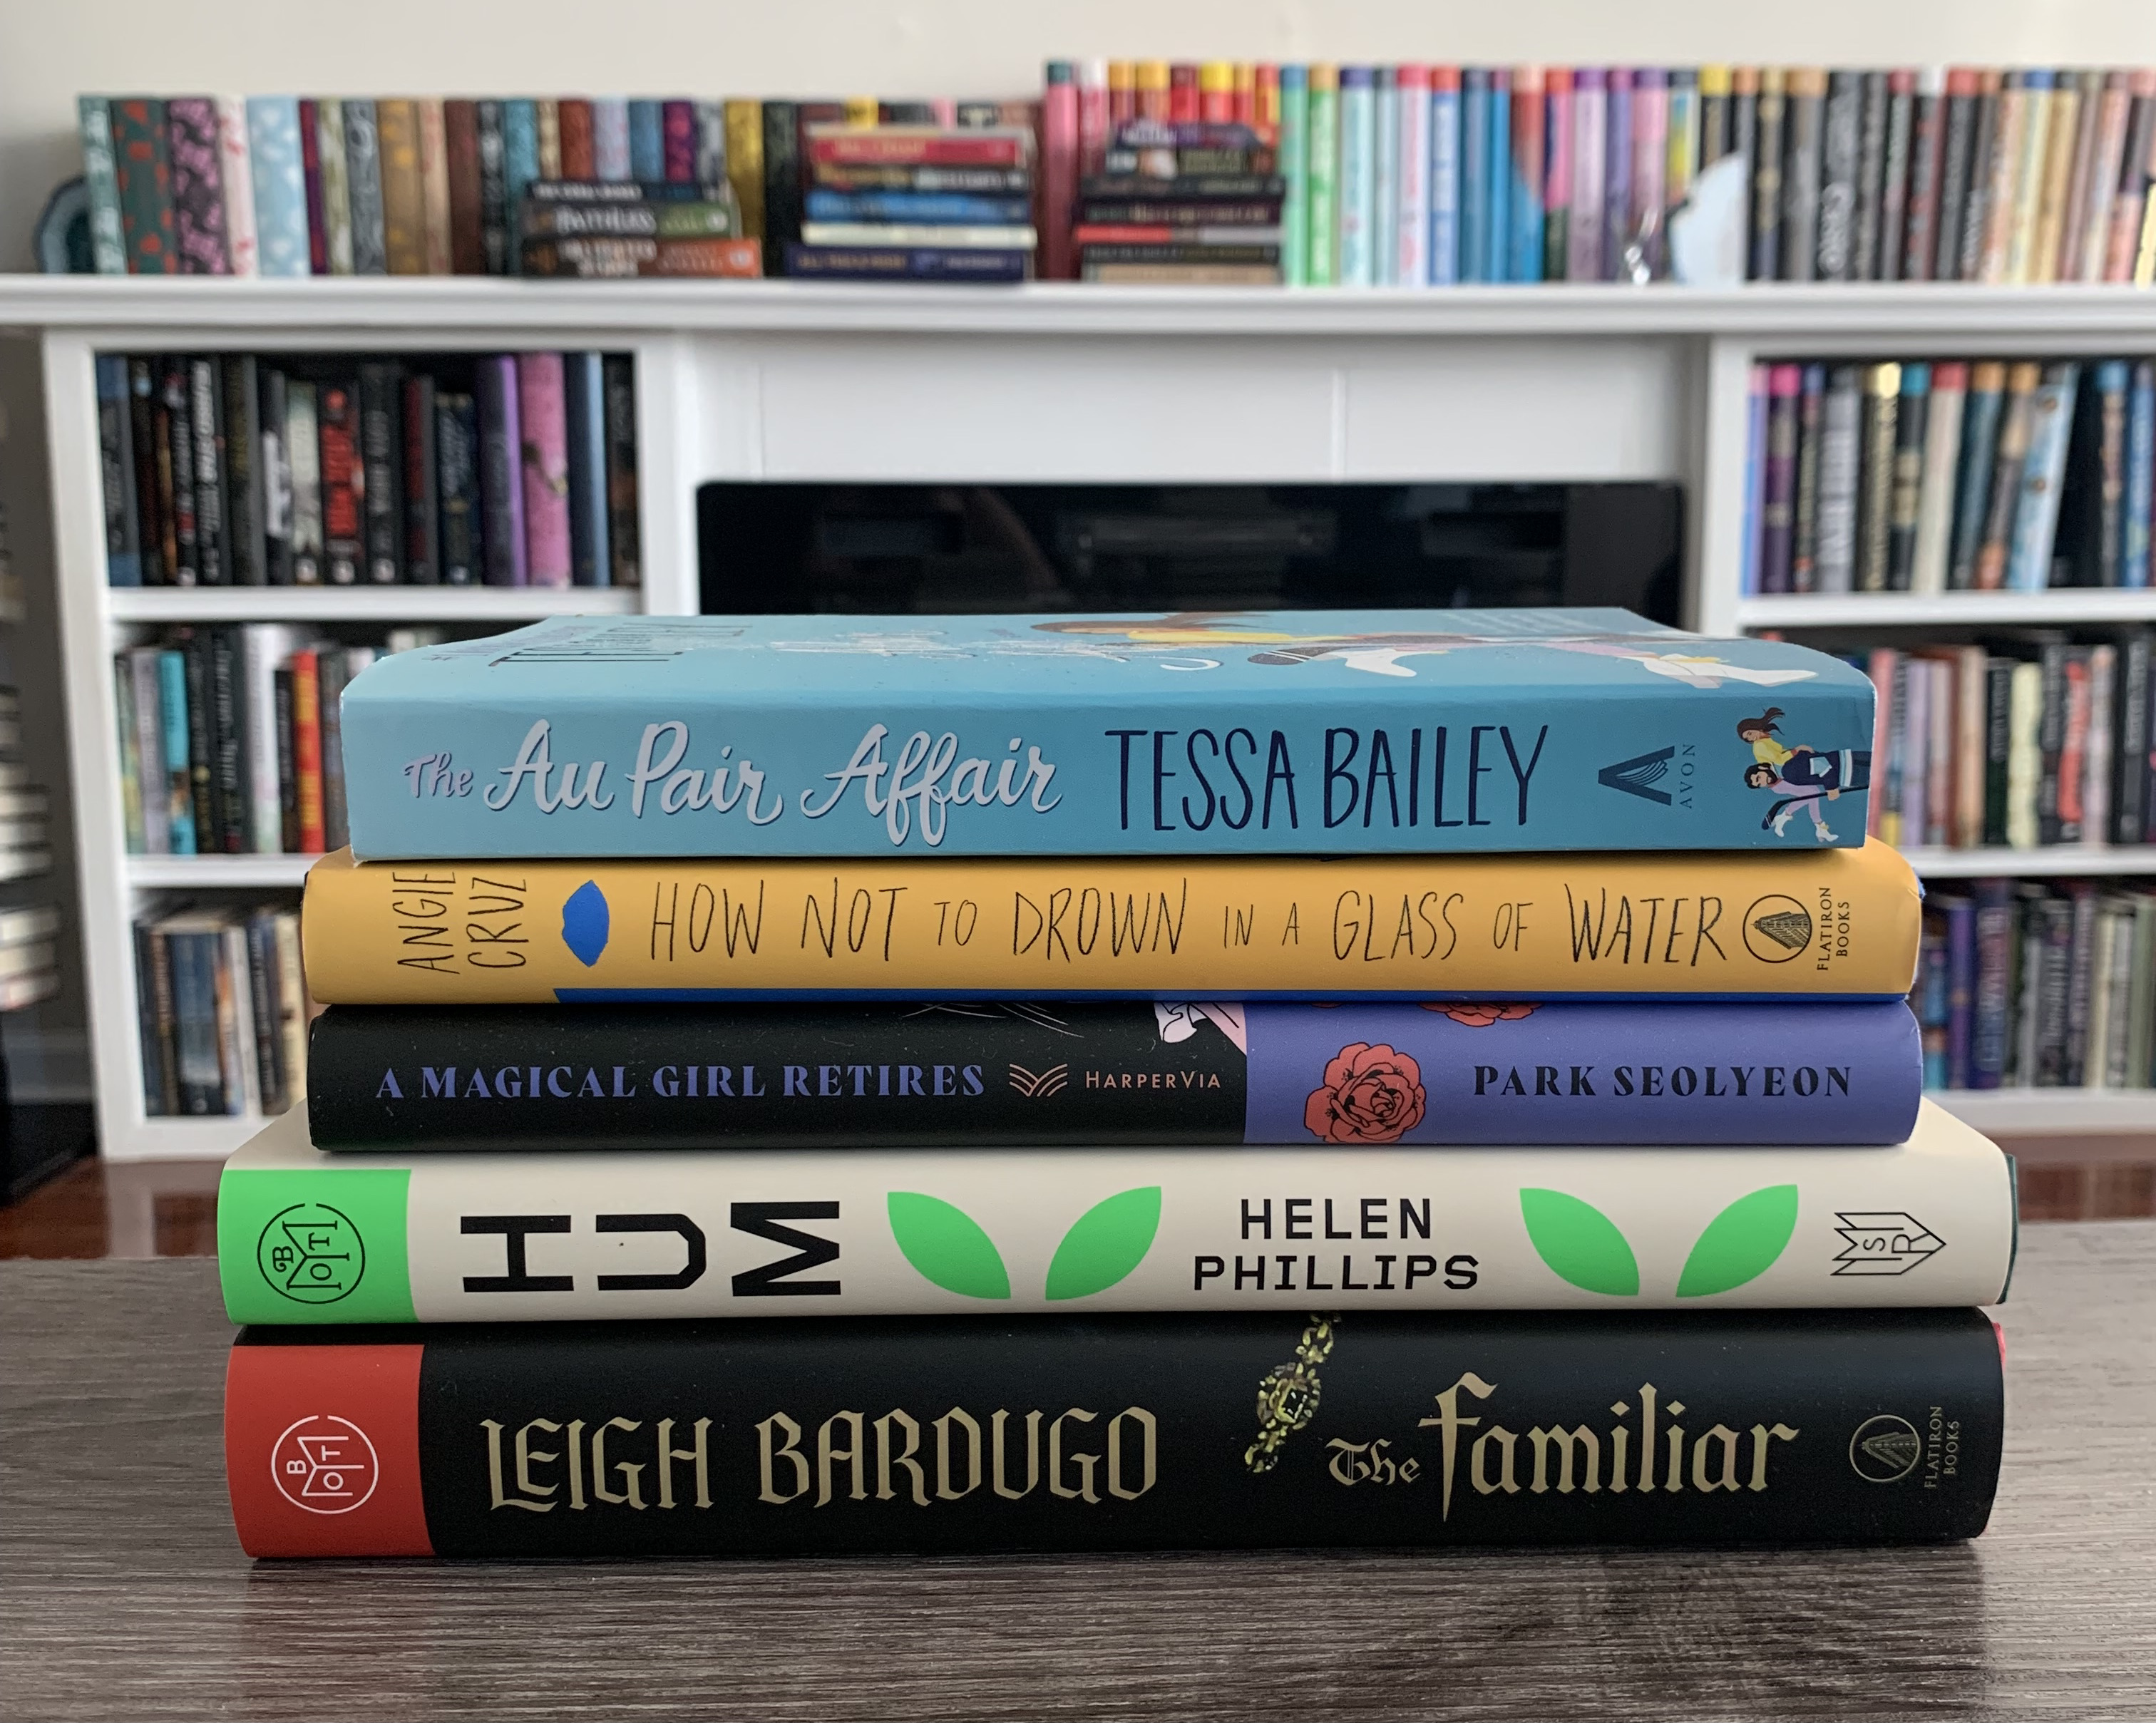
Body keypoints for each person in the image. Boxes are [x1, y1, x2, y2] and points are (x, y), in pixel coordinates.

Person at [1745, 747, 1872, 843]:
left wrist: (1831, 787)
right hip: (1847, 774)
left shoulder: (1786, 769)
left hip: (1851, 765)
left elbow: (1821, 764)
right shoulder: (1785, 776)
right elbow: (1811, 794)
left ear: (1762, 768)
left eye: (1759, 778)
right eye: (1759, 784)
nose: (1763, 783)